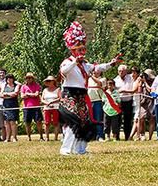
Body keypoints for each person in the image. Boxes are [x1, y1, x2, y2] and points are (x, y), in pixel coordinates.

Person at [58, 22, 122, 155]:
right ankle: (65, 149)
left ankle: (80, 149)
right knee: (73, 121)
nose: (82, 53)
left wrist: (112, 63)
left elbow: (98, 68)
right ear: (73, 51)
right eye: (79, 50)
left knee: (85, 123)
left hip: (81, 95)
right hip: (70, 94)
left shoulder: (85, 65)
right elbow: (64, 71)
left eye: (83, 50)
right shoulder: (67, 62)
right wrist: (75, 62)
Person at [114, 64, 136, 140]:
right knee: (118, 119)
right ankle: (116, 136)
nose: (121, 72)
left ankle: (128, 136)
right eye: (119, 71)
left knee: (128, 119)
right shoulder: (115, 80)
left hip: (128, 101)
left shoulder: (131, 78)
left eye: (123, 71)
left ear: (126, 71)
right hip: (119, 102)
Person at [19, 73, 44, 141]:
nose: (28, 79)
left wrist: (27, 94)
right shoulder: (23, 86)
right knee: (27, 123)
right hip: (26, 107)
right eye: (27, 78)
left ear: (33, 79)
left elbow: (36, 94)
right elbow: (22, 96)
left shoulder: (37, 85)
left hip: (36, 107)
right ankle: (28, 137)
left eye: (30, 78)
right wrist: (31, 95)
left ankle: (41, 137)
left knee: (39, 122)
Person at [87, 69, 106, 141]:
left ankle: (100, 135)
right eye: (94, 70)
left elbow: (99, 83)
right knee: (90, 120)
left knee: (98, 119)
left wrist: (91, 76)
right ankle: (92, 136)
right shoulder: (88, 79)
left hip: (98, 101)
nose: (95, 72)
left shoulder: (103, 79)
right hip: (89, 101)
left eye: (97, 70)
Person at [1, 74, 20, 142]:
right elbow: (1, 95)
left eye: (10, 78)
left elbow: (15, 94)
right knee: (7, 122)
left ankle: (14, 137)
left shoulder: (16, 86)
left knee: (12, 122)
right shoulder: (4, 86)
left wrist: (6, 94)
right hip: (6, 106)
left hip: (13, 105)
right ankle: (8, 138)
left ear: (13, 79)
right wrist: (9, 95)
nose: (9, 79)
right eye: (7, 78)